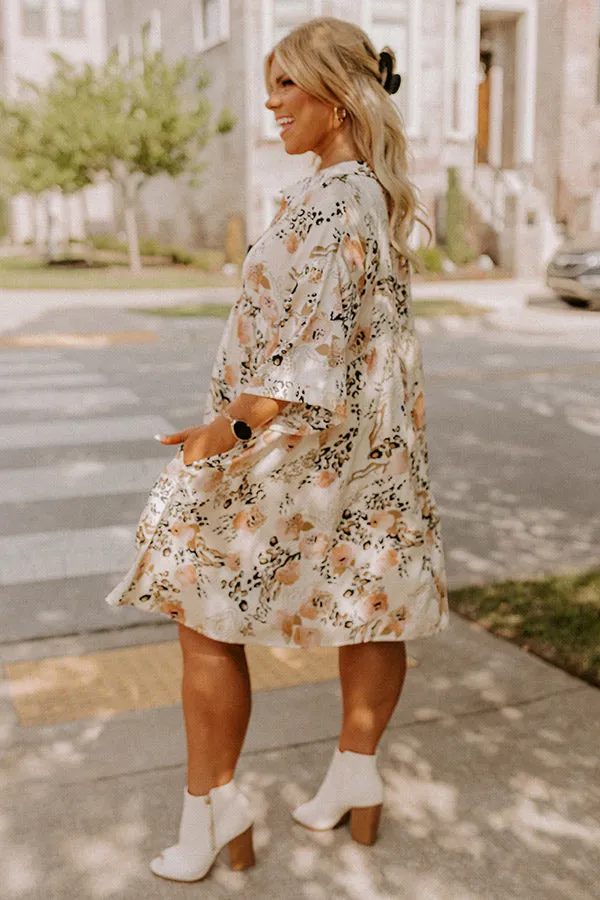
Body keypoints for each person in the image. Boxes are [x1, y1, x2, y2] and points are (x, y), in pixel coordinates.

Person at [105, 15, 449, 884]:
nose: (272, 101)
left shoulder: (337, 200)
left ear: (338, 96)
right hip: (366, 452)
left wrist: (229, 429)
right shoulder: (359, 189)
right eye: (272, 84)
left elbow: (311, 355)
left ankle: (213, 810)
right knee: (371, 598)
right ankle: (355, 777)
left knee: (196, 602)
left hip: (303, 444)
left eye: (289, 84)